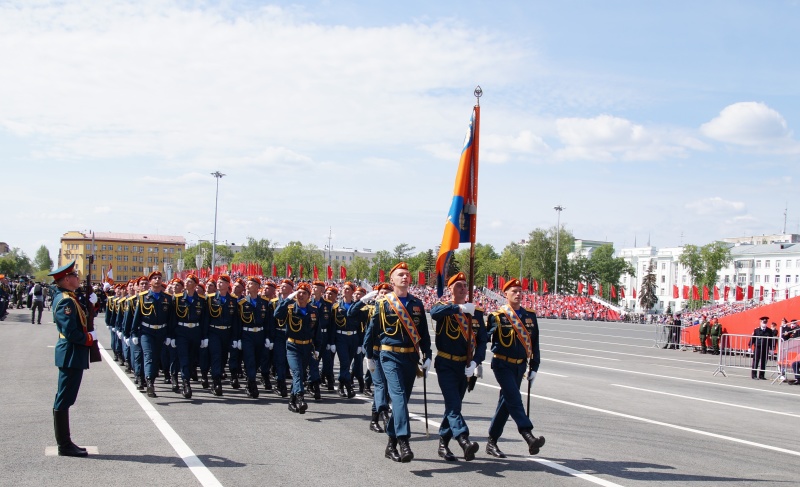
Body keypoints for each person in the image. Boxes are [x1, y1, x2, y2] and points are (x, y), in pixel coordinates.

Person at [364, 262, 432, 463]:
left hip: (411, 357)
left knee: (403, 402)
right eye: (400, 275)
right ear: (392, 280)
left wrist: (427, 355)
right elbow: (371, 331)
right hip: (389, 356)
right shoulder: (383, 303)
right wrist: (369, 356)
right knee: (399, 398)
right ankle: (403, 440)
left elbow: (424, 334)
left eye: (407, 275)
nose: (405, 277)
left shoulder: (417, 304)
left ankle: (390, 445)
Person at [430, 272, 488, 461]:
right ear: (450, 289)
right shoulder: (445, 308)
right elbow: (434, 313)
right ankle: (464, 440)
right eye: (458, 286)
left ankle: (443, 444)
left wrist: (475, 363)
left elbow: (482, 342)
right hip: (446, 364)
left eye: (465, 285)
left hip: (465, 367)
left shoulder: (476, 312)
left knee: (453, 407)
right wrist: (459, 308)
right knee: (454, 405)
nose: (463, 288)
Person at [485, 278, 545, 458]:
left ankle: (491, 442)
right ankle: (528, 434)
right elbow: (484, 337)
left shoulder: (530, 316)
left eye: (520, 291)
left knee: (506, 403)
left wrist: (534, 367)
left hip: (520, 367)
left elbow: (535, 343)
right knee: (514, 397)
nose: (518, 294)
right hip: (502, 364)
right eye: (514, 291)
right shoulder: (497, 316)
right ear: (506, 294)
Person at [50, 260, 95, 457]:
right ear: (67, 279)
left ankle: (65, 442)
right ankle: (64, 444)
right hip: (70, 352)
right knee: (64, 398)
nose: (78, 278)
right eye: (75, 276)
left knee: (65, 397)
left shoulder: (69, 297)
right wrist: (88, 339)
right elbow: (70, 331)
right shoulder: (65, 301)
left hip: (72, 352)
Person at [273, 282, 321, 413]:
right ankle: (300, 397)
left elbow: (317, 330)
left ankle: (292, 400)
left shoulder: (313, 310)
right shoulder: (289, 308)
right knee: (297, 372)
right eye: (299, 292)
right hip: (293, 346)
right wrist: (287, 299)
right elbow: (276, 314)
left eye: (304, 293)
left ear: (309, 296)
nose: (301, 295)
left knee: (301, 374)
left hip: (307, 347)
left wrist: (317, 347)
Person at [132, 271, 173, 398]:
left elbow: (170, 319)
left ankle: (151, 379)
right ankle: (149, 382)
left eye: (159, 278)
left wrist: (169, 335)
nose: (157, 280)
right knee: (148, 355)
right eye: (154, 278)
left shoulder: (167, 298)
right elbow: (137, 316)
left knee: (156, 358)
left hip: (161, 331)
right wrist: (133, 333)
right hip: (146, 331)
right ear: (150, 282)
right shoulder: (143, 297)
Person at [236, 276, 273, 399]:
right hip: (247, 334)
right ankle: (252, 384)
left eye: (251, 283)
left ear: (257, 287)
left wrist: (268, 337)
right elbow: (238, 323)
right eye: (248, 283)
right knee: (250, 359)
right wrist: (238, 338)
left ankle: (250, 378)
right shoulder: (242, 302)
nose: (248, 285)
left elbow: (267, 321)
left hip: (260, 334)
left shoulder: (264, 302)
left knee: (258, 360)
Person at [172, 274, 207, 399]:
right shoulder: (177, 299)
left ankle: (187, 375)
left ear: (195, 284)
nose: (186, 283)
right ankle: (186, 383)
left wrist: (204, 337)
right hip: (181, 331)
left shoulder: (202, 300)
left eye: (190, 281)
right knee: (184, 358)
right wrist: (171, 335)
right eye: (186, 281)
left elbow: (204, 320)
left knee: (192, 358)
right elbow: (173, 318)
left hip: (196, 331)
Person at [205, 275, 239, 396]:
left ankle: (218, 374)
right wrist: (204, 336)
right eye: (218, 282)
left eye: (222, 282)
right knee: (216, 355)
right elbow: (206, 319)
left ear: (228, 285)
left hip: (228, 332)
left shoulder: (233, 300)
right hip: (214, 332)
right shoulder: (210, 299)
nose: (219, 284)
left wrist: (235, 338)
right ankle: (216, 381)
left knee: (224, 357)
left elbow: (235, 321)